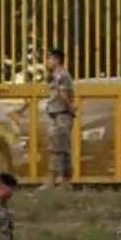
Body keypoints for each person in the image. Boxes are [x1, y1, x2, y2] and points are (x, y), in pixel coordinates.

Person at [43, 46, 75, 190]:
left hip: (61, 114)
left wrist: (70, 109)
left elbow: (64, 96)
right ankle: (63, 181)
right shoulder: (55, 75)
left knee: (59, 149)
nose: (47, 61)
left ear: (57, 59)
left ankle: (56, 181)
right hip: (56, 114)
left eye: (50, 58)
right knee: (59, 148)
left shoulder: (62, 75)